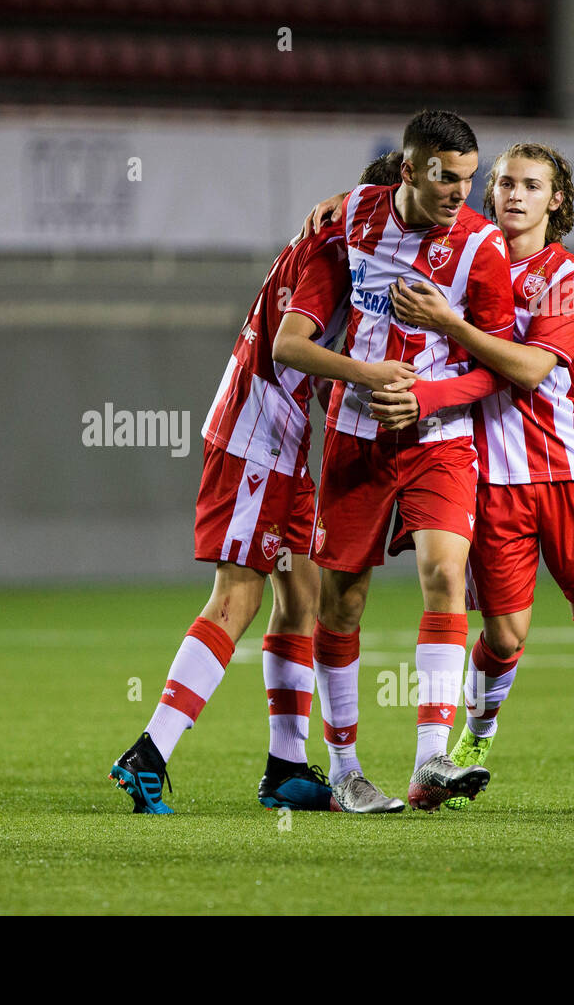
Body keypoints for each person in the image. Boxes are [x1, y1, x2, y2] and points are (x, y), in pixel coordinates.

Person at [366, 142, 574, 815]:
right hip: (491, 478)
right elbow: (380, 212)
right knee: (505, 636)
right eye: (505, 182)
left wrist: (450, 324)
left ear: (555, 200)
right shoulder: (460, 261)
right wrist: (329, 210)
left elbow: (532, 369)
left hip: (572, 473)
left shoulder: (568, 274)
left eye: (531, 185)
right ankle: (475, 738)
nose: (514, 193)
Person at [109, 154, 416, 816]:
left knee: (301, 591)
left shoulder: (343, 236)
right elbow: (289, 345)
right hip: (256, 436)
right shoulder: (336, 252)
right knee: (236, 597)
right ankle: (150, 752)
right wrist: (370, 374)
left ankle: (283, 768)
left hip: (281, 442)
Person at [294, 110, 514, 811]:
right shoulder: (353, 215)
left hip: (440, 440)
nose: (460, 192)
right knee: (342, 600)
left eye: (469, 178)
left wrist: (430, 398)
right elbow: (305, 316)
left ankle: (431, 762)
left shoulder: (482, 245)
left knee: (447, 574)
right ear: (410, 170)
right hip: (356, 436)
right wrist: (363, 378)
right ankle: (344, 768)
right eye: (447, 177)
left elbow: (497, 365)